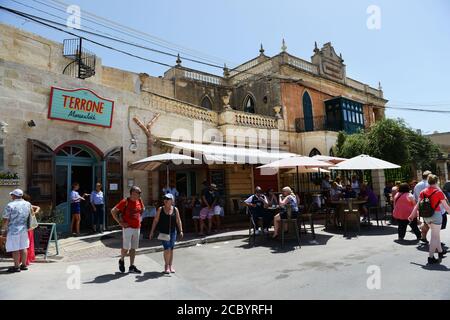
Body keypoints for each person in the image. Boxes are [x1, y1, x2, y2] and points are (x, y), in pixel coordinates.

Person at [408, 174, 450, 264]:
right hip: (436, 216)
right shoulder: (438, 192)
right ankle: (430, 257)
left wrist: (412, 215)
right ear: (437, 182)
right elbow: (446, 207)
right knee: (434, 237)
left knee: (436, 235)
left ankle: (440, 251)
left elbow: (417, 205)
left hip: (426, 217)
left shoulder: (423, 192)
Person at [111, 186, 145, 274]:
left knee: (133, 248)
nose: (140, 194)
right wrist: (120, 222)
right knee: (126, 248)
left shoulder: (139, 200)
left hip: (137, 227)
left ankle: (131, 266)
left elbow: (142, 209)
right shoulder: (125, 201)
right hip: (128, 227)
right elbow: (113, 211)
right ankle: (121, 260)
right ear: (133, 193)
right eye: (139, 193)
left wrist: (139, 215)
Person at [149, 193, 184, 274]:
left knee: (171, 249)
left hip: (173, 232)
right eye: (164, 199)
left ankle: (170, 265)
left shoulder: (175, 209)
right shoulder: (160, 209)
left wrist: (181, 230)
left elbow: (178, 220)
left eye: (168, 199)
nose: (165, 200)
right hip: (164, 233)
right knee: (167, 249)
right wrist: (152, 231)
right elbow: (155, 221)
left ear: (172, 200)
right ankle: (166, 266)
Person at [2, 189, 32, 273]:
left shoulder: (10, 205)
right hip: (24, 229)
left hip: (13, 230)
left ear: (14, 196)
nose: (11, 196)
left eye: (12, 195)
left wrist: (2, 229)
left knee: (15, 249)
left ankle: (16, 267)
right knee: (23, 247)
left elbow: (5, 219)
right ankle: (24, 265)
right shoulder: (28, 204)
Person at [22, 194, 40, 266]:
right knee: (28, 243)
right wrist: (34, 213)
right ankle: (26, 260)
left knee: (25, 244)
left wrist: (34, 213)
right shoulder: (28, 205)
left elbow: (38, 208)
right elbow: (38, 207)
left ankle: (25, 260)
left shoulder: (27, 205)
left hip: (26, 227)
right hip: (29, 227)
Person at [413, 171, 432, 243]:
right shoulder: (430, 184)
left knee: (426, 222)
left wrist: (417, 208)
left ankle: (423, 237)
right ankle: (435, 241)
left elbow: (414, 197)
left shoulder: (417, 185)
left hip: (421, 206)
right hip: (431, 207)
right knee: (432, 223)